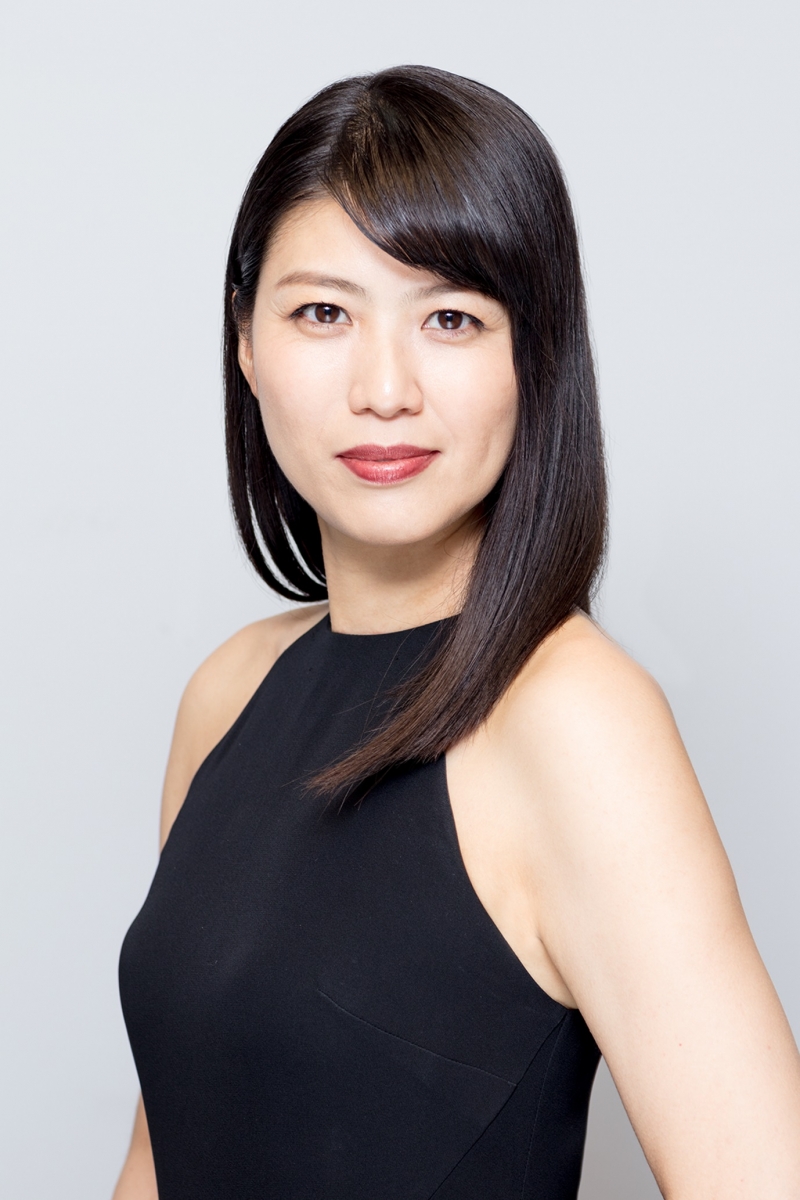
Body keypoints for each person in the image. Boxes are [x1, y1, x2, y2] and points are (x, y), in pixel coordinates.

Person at [113, 65, 800, 1199]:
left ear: (533, 353)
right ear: (245, 342)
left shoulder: (574, 718)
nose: (384, 388)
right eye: (322, 313)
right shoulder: (230, 690)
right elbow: (166, 1151)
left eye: (449, 318)